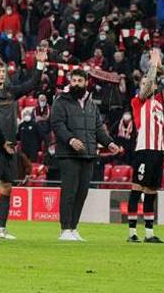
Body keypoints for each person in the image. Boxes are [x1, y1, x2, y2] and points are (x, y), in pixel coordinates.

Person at [50, 67, 121, 242]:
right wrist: (70, 140)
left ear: (86, 83)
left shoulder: (91, 105)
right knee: (69, 192)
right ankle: (64, 229)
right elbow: (57, 124)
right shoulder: (61, 101)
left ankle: (73, 228)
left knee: (81, 193)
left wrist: (109, 142)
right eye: (73, 81)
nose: (76, 84)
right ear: (70, 82)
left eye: (79, 81)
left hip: (88, 154)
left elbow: (98, 128)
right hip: (68, 154)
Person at [0, 46, 46, 239]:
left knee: (6, 187)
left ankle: (1, 229)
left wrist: (40, 63)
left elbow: (33, 82)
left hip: (9, 148)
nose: (0, 73)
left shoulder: (11, 92)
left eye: (2, 71)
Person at [128, 48, 164, 244]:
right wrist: (152, 66)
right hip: (143, 150)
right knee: (137, 189)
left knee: (151, 192)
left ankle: (149, 233)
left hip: (158, 151)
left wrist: (161, 67)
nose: (147, 84)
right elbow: (147, 84)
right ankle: (132, 232)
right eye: (143, 83)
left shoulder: (159, 101)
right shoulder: (137, 101)